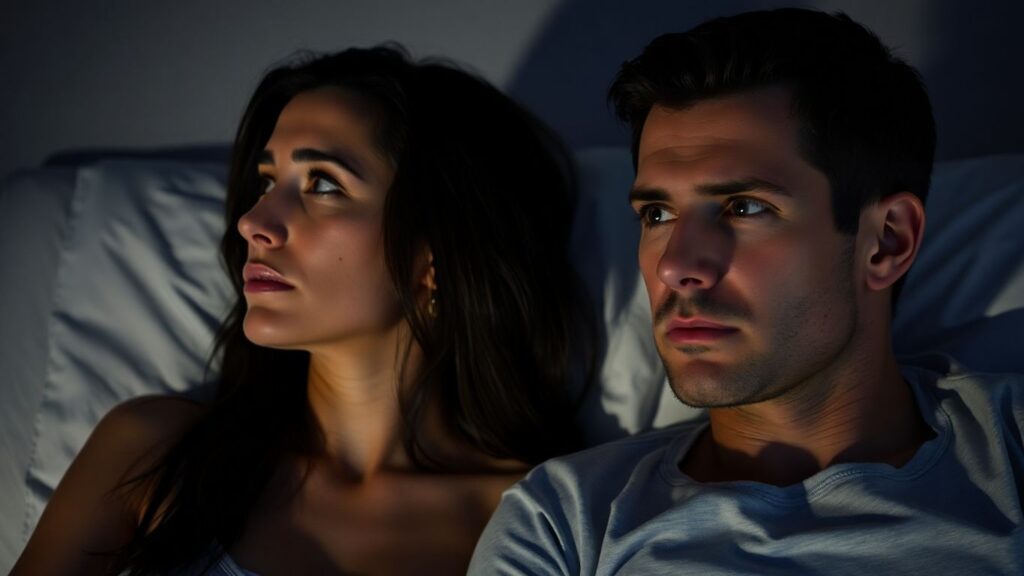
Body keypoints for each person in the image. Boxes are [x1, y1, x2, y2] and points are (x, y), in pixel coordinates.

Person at [470, 8, 1024, 574]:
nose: (676, 267)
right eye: (657, 213)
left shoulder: (1011, 456)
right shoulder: (563, 525)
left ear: (885, 242)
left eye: (745, 207)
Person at [12, 45, 595, 575]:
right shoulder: (151, 454)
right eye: (268, 181)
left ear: (434, 256)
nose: (253, 223)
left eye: (322, 184)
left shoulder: (541, 516)